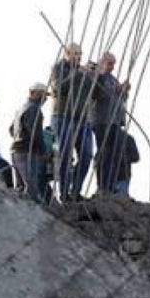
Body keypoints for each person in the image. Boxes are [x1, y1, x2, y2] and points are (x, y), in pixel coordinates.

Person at [49, 43, 96, 200]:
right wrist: (76, 75)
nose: (79, 57)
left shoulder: (83, 72)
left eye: (80, 54)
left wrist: (96, 74)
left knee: (87, 155)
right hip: (63, 116)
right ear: (67, 54)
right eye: (75, 54)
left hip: (82, 119)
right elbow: (58, 88)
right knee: (65, 156)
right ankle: (63, 193)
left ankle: (75, 190)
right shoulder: (58, 68)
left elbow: (95, 93)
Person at [92, 52, 129, 190]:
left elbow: (119, 99)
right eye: (110, 64)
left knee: (113, 154)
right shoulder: (98, 77)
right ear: (102, 62)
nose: (112, 67)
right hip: (102, 121)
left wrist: (123, 91)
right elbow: (99, 94)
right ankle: (102, 185)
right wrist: (118, 89)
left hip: (114, 121)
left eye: (114, 64)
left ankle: (109, 184)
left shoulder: (112, 79)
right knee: (104, 153)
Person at [9, 82, 50, 203]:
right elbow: (35, 134)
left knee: (21, 188)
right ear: (33, 93)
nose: (45, 99)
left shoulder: (21, 108)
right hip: (27, 152)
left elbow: (11, 129)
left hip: (16, 151)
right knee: (32, 189)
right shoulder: (34, 109)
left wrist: (19, 136)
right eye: (43, 95)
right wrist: (43, 151)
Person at [113, 131, 140, 197]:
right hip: (111, 177)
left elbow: (136, 157)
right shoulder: (106, 136)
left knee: (119, 199)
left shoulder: (127, 138)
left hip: (122, 176)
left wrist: (123, 158)